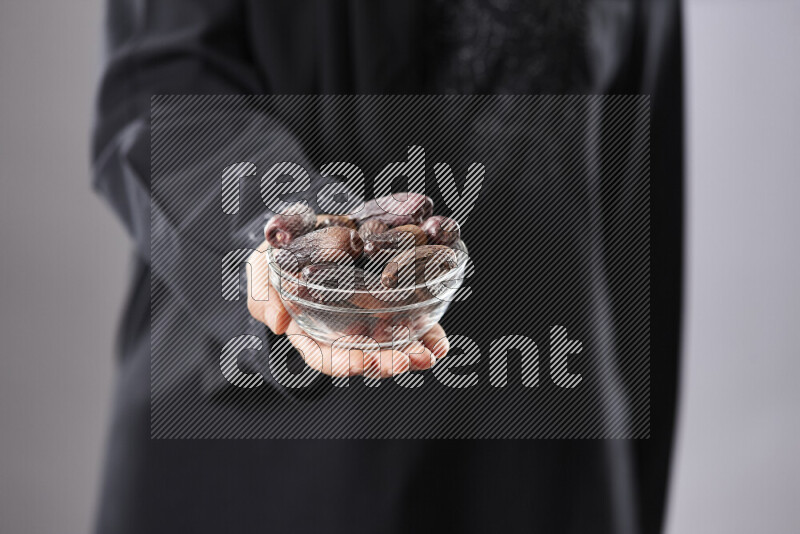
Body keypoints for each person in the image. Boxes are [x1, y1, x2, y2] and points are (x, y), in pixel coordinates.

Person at [93, 1, 683, 532]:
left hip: (536, 467)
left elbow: (634, 218)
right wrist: (282, 243)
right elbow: (162, 85)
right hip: (266, 463)